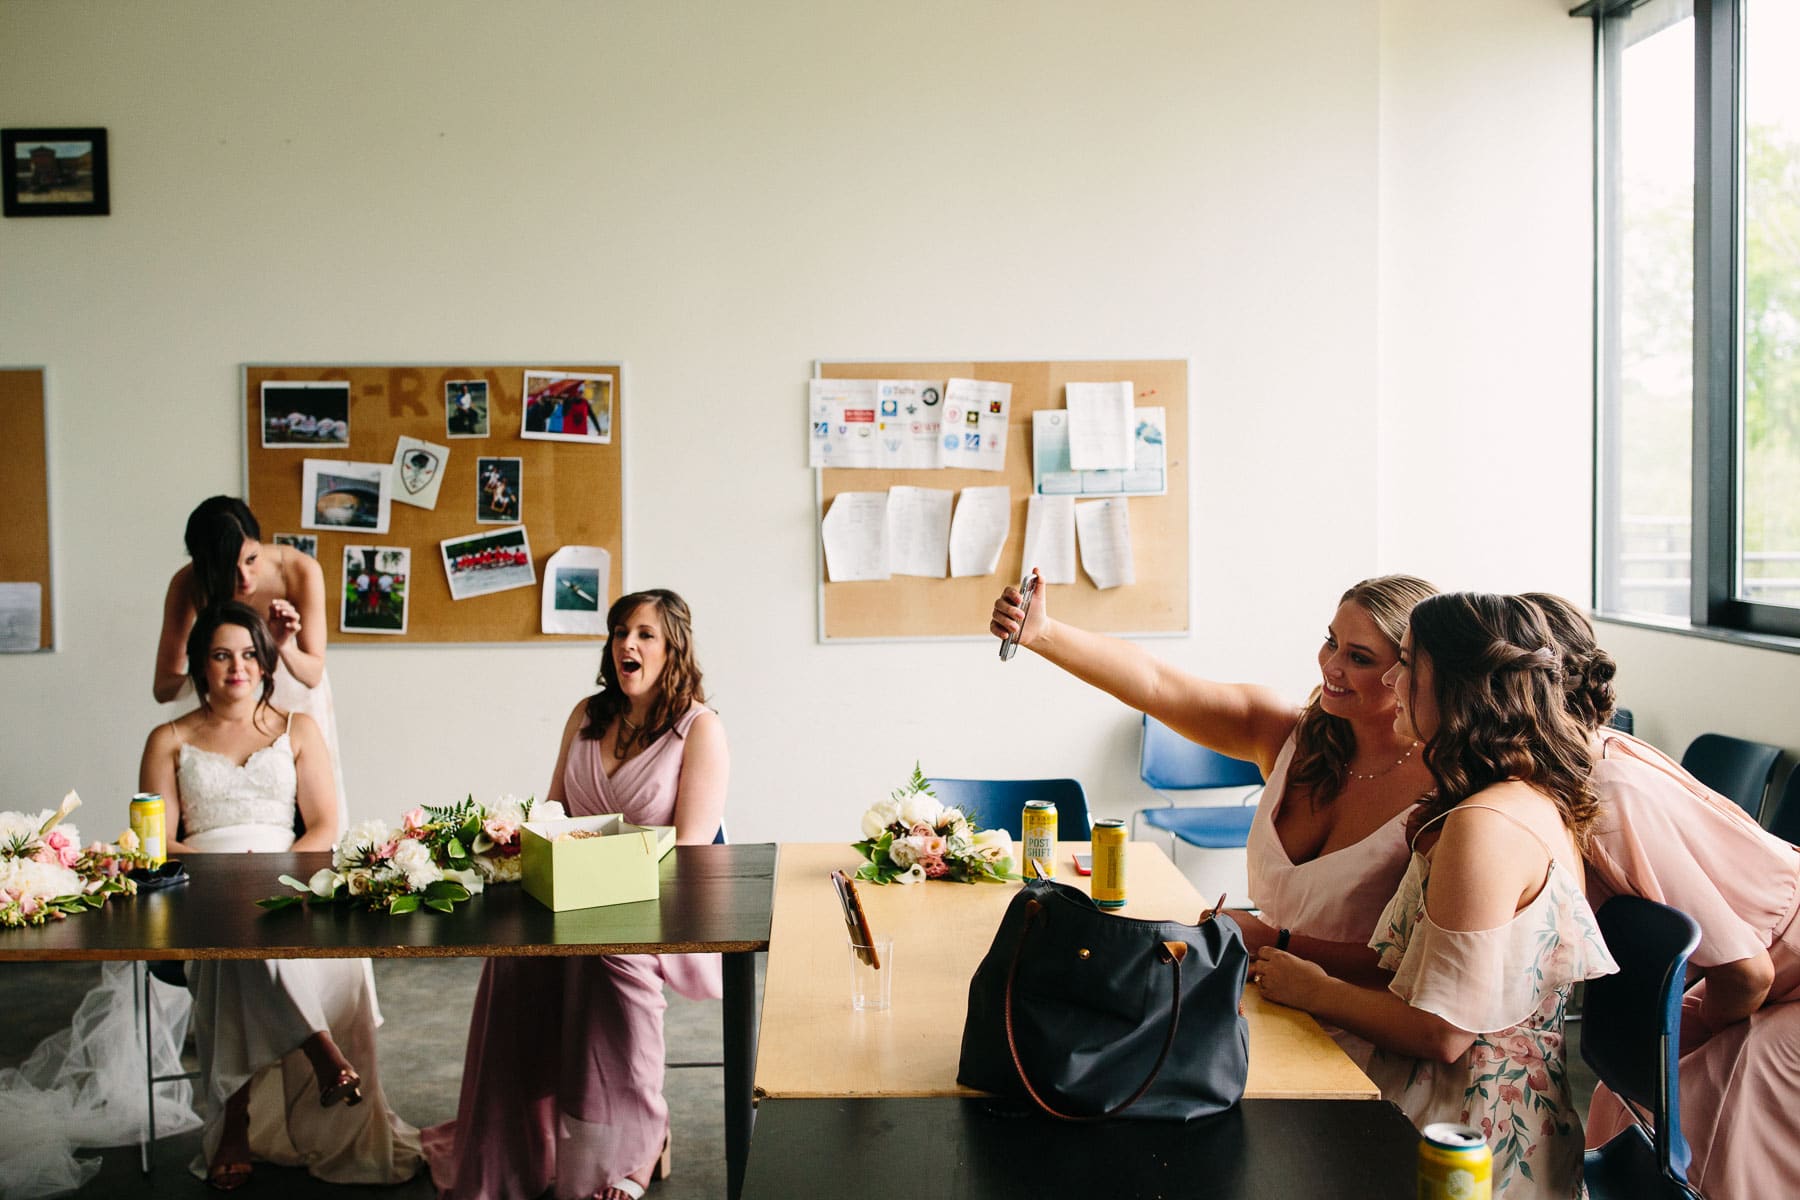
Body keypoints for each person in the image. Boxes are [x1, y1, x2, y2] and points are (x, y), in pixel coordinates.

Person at [1253, 592, 1618, 1199]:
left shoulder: (1487, 824)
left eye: (1406, 663)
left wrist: (1314, 989)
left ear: (1456, 687)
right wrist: (1281, 946)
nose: (1392, 681)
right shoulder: (1511, 795)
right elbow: (1412, 968)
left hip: (1468, 1140)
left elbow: (1442, 1033)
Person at [990, 572, 1439, 1054]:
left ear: (1412, 672)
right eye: (1331, 642)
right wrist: (1044, 633)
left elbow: (1413, 965)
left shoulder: (1443, 786)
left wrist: (1273, 940)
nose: (1331, 665)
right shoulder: (1288, 734)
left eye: (1360, 657)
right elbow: (1157, 684)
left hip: (1366, 1038)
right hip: (1259, 1006)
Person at [422, 588, 728, 1200]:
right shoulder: (586, 714)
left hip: (654, 902)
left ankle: (636, 1147)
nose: (627, 645)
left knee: (608, 962)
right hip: (569, 896)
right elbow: (554, 810)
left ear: (673, 648)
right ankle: (522, 1142)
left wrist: (609, 874)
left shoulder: (700, 729)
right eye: (619, 633)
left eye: (643, 634)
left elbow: (692, 847)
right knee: (511, 963)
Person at [1523, 593, 1800, 1200]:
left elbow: (1748, 973)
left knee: (1729, 1089)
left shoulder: (1606, 792)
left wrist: (1699, 1027)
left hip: (1779, 973)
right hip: (1766, 971)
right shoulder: (1580, 762)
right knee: (1622, 1100)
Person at [136, 602, 420, 1190]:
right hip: (202, 888)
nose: (236, 667)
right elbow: (157, 841)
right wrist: (223, 876)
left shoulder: (299, 729)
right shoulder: (167, 738)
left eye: (248, 654)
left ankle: (236, 1121)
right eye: (220, 655)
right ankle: (320, 1051)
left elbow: (322, 824)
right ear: (200, 666)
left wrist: (274, 873)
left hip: (290, 882)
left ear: (266, 664)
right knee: (233, 930)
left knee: (247, 939)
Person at [155, 496, 346, 826]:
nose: (244, 578)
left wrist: (279, 645)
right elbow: (163, 688)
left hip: (293, 692)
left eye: (252, 559)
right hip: (221, 700)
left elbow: (313, 673)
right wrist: (211, 666)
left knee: (308, 814)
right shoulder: (188, 584)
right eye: (228, 568)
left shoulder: (300, 570)